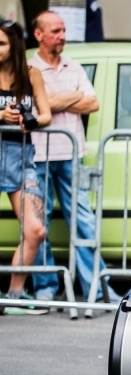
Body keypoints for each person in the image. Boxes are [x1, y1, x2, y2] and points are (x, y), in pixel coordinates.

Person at [28, 11, 120, 304]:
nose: (62, 36)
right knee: (38, 222)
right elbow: (33, 108)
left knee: (83, 221)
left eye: (64, 30)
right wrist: (71, 96)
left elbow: (92, 103)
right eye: (55, 31)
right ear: (39, 35)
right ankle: (45, 287)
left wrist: (49, 101)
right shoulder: (29, 68)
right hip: (37, 156)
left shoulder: (74, 66)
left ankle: (96, 287)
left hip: (71, 155)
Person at [0, 19, 52, 315]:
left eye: (1, 43)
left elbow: (46, 115)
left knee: (35, 230)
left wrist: (28, 120)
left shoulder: (31, 74)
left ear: (15, 45)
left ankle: (14, 295)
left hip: (20, 155)